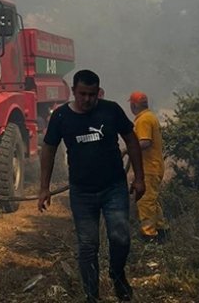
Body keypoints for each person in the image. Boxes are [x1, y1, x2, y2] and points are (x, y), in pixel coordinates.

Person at [38, 70, 145, 303]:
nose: (87, 99)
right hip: (82, 192)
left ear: (99, 92)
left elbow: (131, 140)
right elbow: (48, 148)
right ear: (74, 92)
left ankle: (117, 275)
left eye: (92, 94)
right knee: (88, 246)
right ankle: (91, 296)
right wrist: (44, 187)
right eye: (82, 94)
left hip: (113, 187)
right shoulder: (61, 117)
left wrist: (139, 178)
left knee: (120, 237)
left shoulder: (111, 110)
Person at [128, 91, 168, 243]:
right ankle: (162, 230)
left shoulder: (144, 120)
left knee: (145, 201)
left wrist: (128, 149)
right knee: (152, 201)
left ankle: (149, 235)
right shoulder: (150, 117)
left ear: (133, 105)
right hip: (154, 166)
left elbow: (145, 142)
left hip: (149, 168)